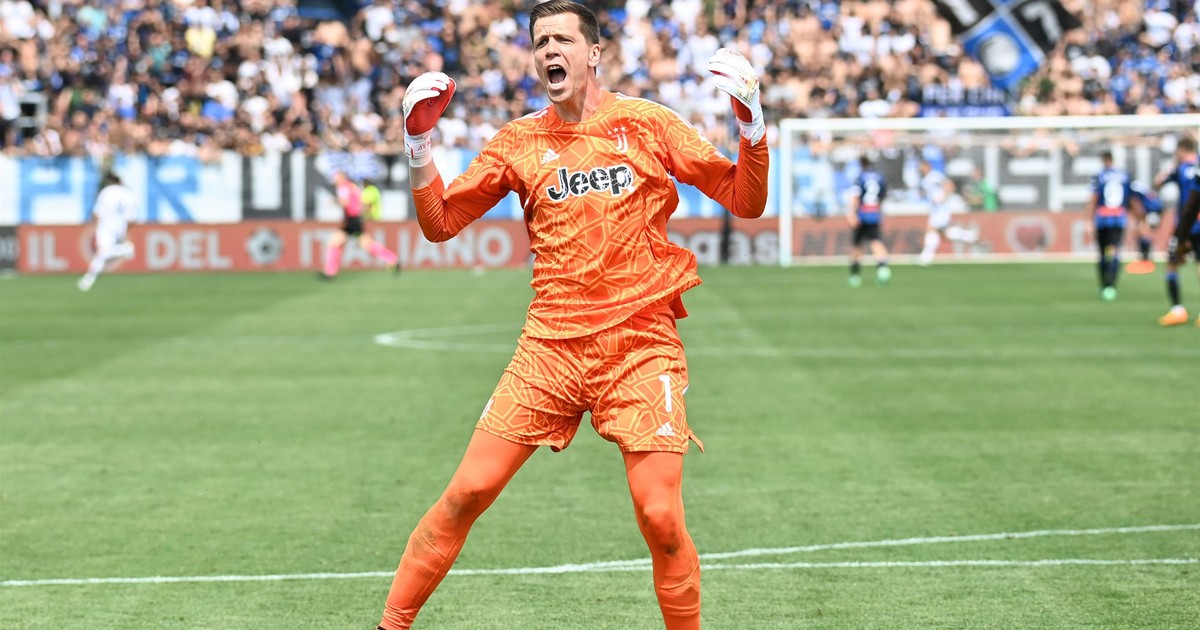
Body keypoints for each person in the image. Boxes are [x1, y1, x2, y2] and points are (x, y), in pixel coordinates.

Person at [377, 2, 769, 628]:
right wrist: (418, 145)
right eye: (540, 42)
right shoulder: (518, 141)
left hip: (641, 345)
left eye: (562, 39)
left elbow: (745, 201)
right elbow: (441, 223)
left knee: (662, 519)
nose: (549, 51)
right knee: (467, 493)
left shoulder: (647, 124)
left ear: (594, 53)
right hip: (550, 349)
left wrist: (751, 128)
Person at [319, 171, 399, 279]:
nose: (334, 181)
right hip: (354, 220)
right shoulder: (352, 186)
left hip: (352, 220)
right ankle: (392, 259)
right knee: (339, 242)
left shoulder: (343, 187)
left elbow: (345, 202)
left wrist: (334, 201)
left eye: (336, 178)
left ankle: (330, 272)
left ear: (341, 178)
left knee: (344, 243)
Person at [1154, 137, 1200, 325]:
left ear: (1181, 150)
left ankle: (1177, 310)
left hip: (1185, 224)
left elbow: (1158, 182)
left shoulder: (1179, 169)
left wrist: (1182, 236)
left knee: (1172, 263)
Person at [1086, 151, 1143, 301]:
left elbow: (1093, 198)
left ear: (1103, 160)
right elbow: (1131, 198)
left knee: (1102, 252)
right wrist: (1138, 216)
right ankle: (1112, 286)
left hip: (1102, 218)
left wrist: (1089, 221)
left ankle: (1104, 284)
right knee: (1115, 250)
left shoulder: (1099, 175)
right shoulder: (1124, 175)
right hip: (1118, 217)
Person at [77, 171, 137, 292]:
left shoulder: (106, 192)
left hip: (106, 225)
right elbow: (132, 219)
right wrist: (124, 231)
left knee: (103, 252)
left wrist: (94, 225)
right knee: (101, 255)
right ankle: (89, 279)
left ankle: (124, 249)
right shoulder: (129, 194)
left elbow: (97, 212)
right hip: (120, 226)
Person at [917, 158, 977, 266]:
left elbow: (949, 185)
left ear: (928, 166)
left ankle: (927, 256)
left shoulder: (935, 176)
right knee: (945, 234)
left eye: (922, 166)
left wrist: (943, 197)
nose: (920, 169)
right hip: (935, 209)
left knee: (932, 229)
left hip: (941, 209)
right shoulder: (925, 180)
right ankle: (967, 235)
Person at [845, 156, 892, 287]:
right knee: (876, 242)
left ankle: (855, 275)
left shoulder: (859, 178)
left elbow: (855, 196)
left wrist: (852, 214)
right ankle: (883, 269)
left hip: (862, 214)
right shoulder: (879, 177)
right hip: (874, 213)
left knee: (857, 245)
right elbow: (882, 196)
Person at [1126, 180, 1164, 275]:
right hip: (1154, 208)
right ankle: (1145, 257)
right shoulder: (1135, 186)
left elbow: (1136, 203)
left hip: (1151, 210)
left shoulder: (1130, 189)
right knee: (1142, 231)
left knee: (1143, 231)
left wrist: (1140, 217)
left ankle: (1145, 259)